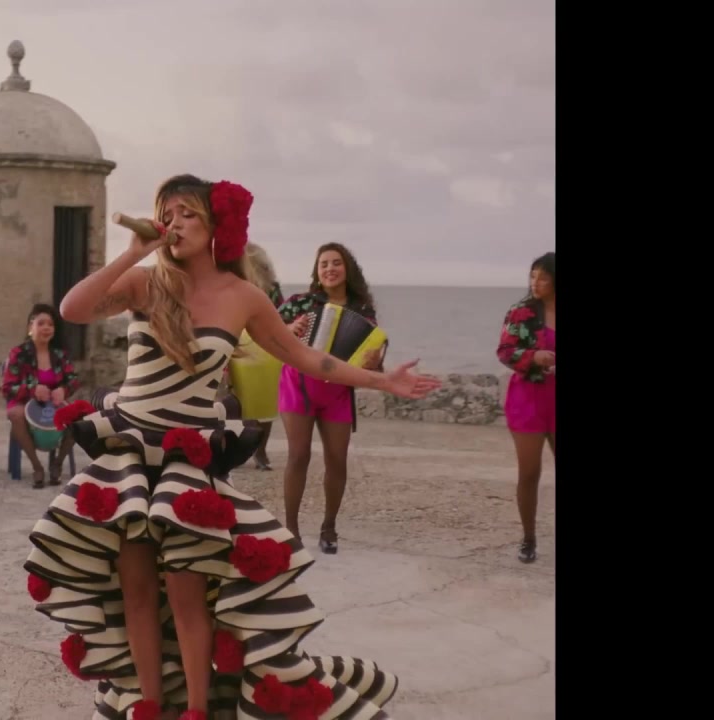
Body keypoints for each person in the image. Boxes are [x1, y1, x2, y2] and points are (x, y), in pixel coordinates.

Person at [23, 174, 439, 719]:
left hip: (187, 463)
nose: (174, 223)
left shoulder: (242, 297)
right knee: (136, 594)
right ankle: (149, 707)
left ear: (216, 225)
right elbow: (73, 309)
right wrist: (133, 252)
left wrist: (383, 381)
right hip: (130, 458)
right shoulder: (145, 283)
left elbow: (308, 358)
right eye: (166, 213)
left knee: (189, 598)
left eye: (187, 213)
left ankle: (198, 711)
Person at [276, 243, 383, 555]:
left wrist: (374, 362)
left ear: (347, 268)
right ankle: (291, 529)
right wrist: (289, 328)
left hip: (337, 390)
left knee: (337, 460)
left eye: (336, 263)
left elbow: (371, 364)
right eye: (323, 264)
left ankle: (329, 527)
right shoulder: (300, 303)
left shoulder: (364, 311)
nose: (330, 269)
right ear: (317, 271)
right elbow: (267, 332)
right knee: (298, 456)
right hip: (298, 384)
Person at [496, 252, 555, 564]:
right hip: (528, 399)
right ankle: (528, 539)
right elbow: (505, 351)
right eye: (533, 276)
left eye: (543, 277)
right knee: (529, 472)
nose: (536, 282)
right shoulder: (520, 312)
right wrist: (534, 357)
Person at [2, 303, 81, 488]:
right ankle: (37, 467)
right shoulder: (18, 354)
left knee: (79, 416)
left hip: (53, 404)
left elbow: (73, 380)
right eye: (41, 323)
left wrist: (64, 390)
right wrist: (32, 389)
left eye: (50, 324)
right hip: (24, 402)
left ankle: (57, 464)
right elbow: (8, 387)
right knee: (15, 414)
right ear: (31, 327)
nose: (46, 328)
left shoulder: (60, 355)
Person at [226, 242, 285, 470]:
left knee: (264, 403)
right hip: (239, 345)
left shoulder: (271, 289)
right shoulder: (231, 285)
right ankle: (245, 449)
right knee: (241, 402)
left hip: (264, 348)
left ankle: (258, 451)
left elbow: (281, 316)